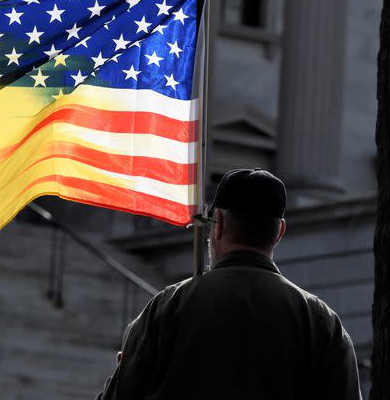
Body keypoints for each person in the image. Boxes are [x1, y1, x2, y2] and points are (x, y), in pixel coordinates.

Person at [96, 168, 362, 400]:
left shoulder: (166, 309)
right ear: (279, 232)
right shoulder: (321, 322)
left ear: (219, 224)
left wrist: (123, 370)